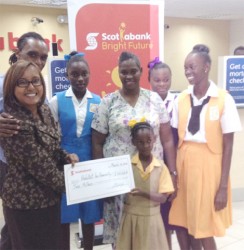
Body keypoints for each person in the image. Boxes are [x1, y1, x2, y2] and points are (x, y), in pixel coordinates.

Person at [91, 51, 177, 247]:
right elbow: (97, 142)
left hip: (151, 178)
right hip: (118, 180)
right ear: (118, 73)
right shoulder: (108, 102)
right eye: (123, 72)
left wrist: (172, 173)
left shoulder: (154, 100)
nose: (128, 76)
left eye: (133, 71)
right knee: (121, 233)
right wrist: (102, 181)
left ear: (140, 71)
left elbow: (167, 139)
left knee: (150, 229)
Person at [169, 44, 242, 250]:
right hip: (184, 164)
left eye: (192, 67)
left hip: (210, 167)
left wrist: (223, 187)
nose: (187, 72)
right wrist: (173, 173)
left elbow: (229, 145)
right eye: (185, 67)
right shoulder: (181, 98)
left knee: (204, 228)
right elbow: (174, 140)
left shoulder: (223, 99)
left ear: (206, 67)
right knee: (184, 222)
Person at [0, 60, 78, 250]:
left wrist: (65, 156)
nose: (31, 87)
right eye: (22, 82)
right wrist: (85, 184)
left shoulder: (43, 110)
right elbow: (44, 169)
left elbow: (52, 144)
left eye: (36, 81)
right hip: (26, 205)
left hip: (48, 199)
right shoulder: (13, 123)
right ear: (11, 87)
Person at [49, 51, 103, 250]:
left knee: (88, 216)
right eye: (75, 74)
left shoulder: (98, 102)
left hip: (89, 162)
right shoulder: (57, 100)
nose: (80, 79)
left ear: (90, 74)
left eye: (84, 74)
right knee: (65, 215)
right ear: (67, 75)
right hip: (64, 163)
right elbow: (52, 135)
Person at [0, 31, 49, 250]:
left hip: (36, 168)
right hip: (8, 168)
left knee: (25, 228)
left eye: (43, 57)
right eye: (32, 54)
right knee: (14, 225)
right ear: (18, 54)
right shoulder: (2, 83)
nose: (38, 62)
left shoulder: (39, 85)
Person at [116, 121, 174, 250]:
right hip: (131, 219)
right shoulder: (127, 165)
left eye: (149, 141)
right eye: (140, 142)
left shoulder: (161, 167)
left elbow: (163, 198)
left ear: (154, 140)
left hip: (153, 220)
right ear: (133, 142)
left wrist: (143, 193)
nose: (145, 145)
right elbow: (115, 185)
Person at [148, 57, 178, 250]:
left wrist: (174, 172)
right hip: (151, 165)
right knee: (151, 215)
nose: (161, 84)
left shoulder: (177, 102)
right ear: (149, 80)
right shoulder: (145, 101)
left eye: (165, 79)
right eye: (157, 80)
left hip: (172, 163)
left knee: (167, 218)